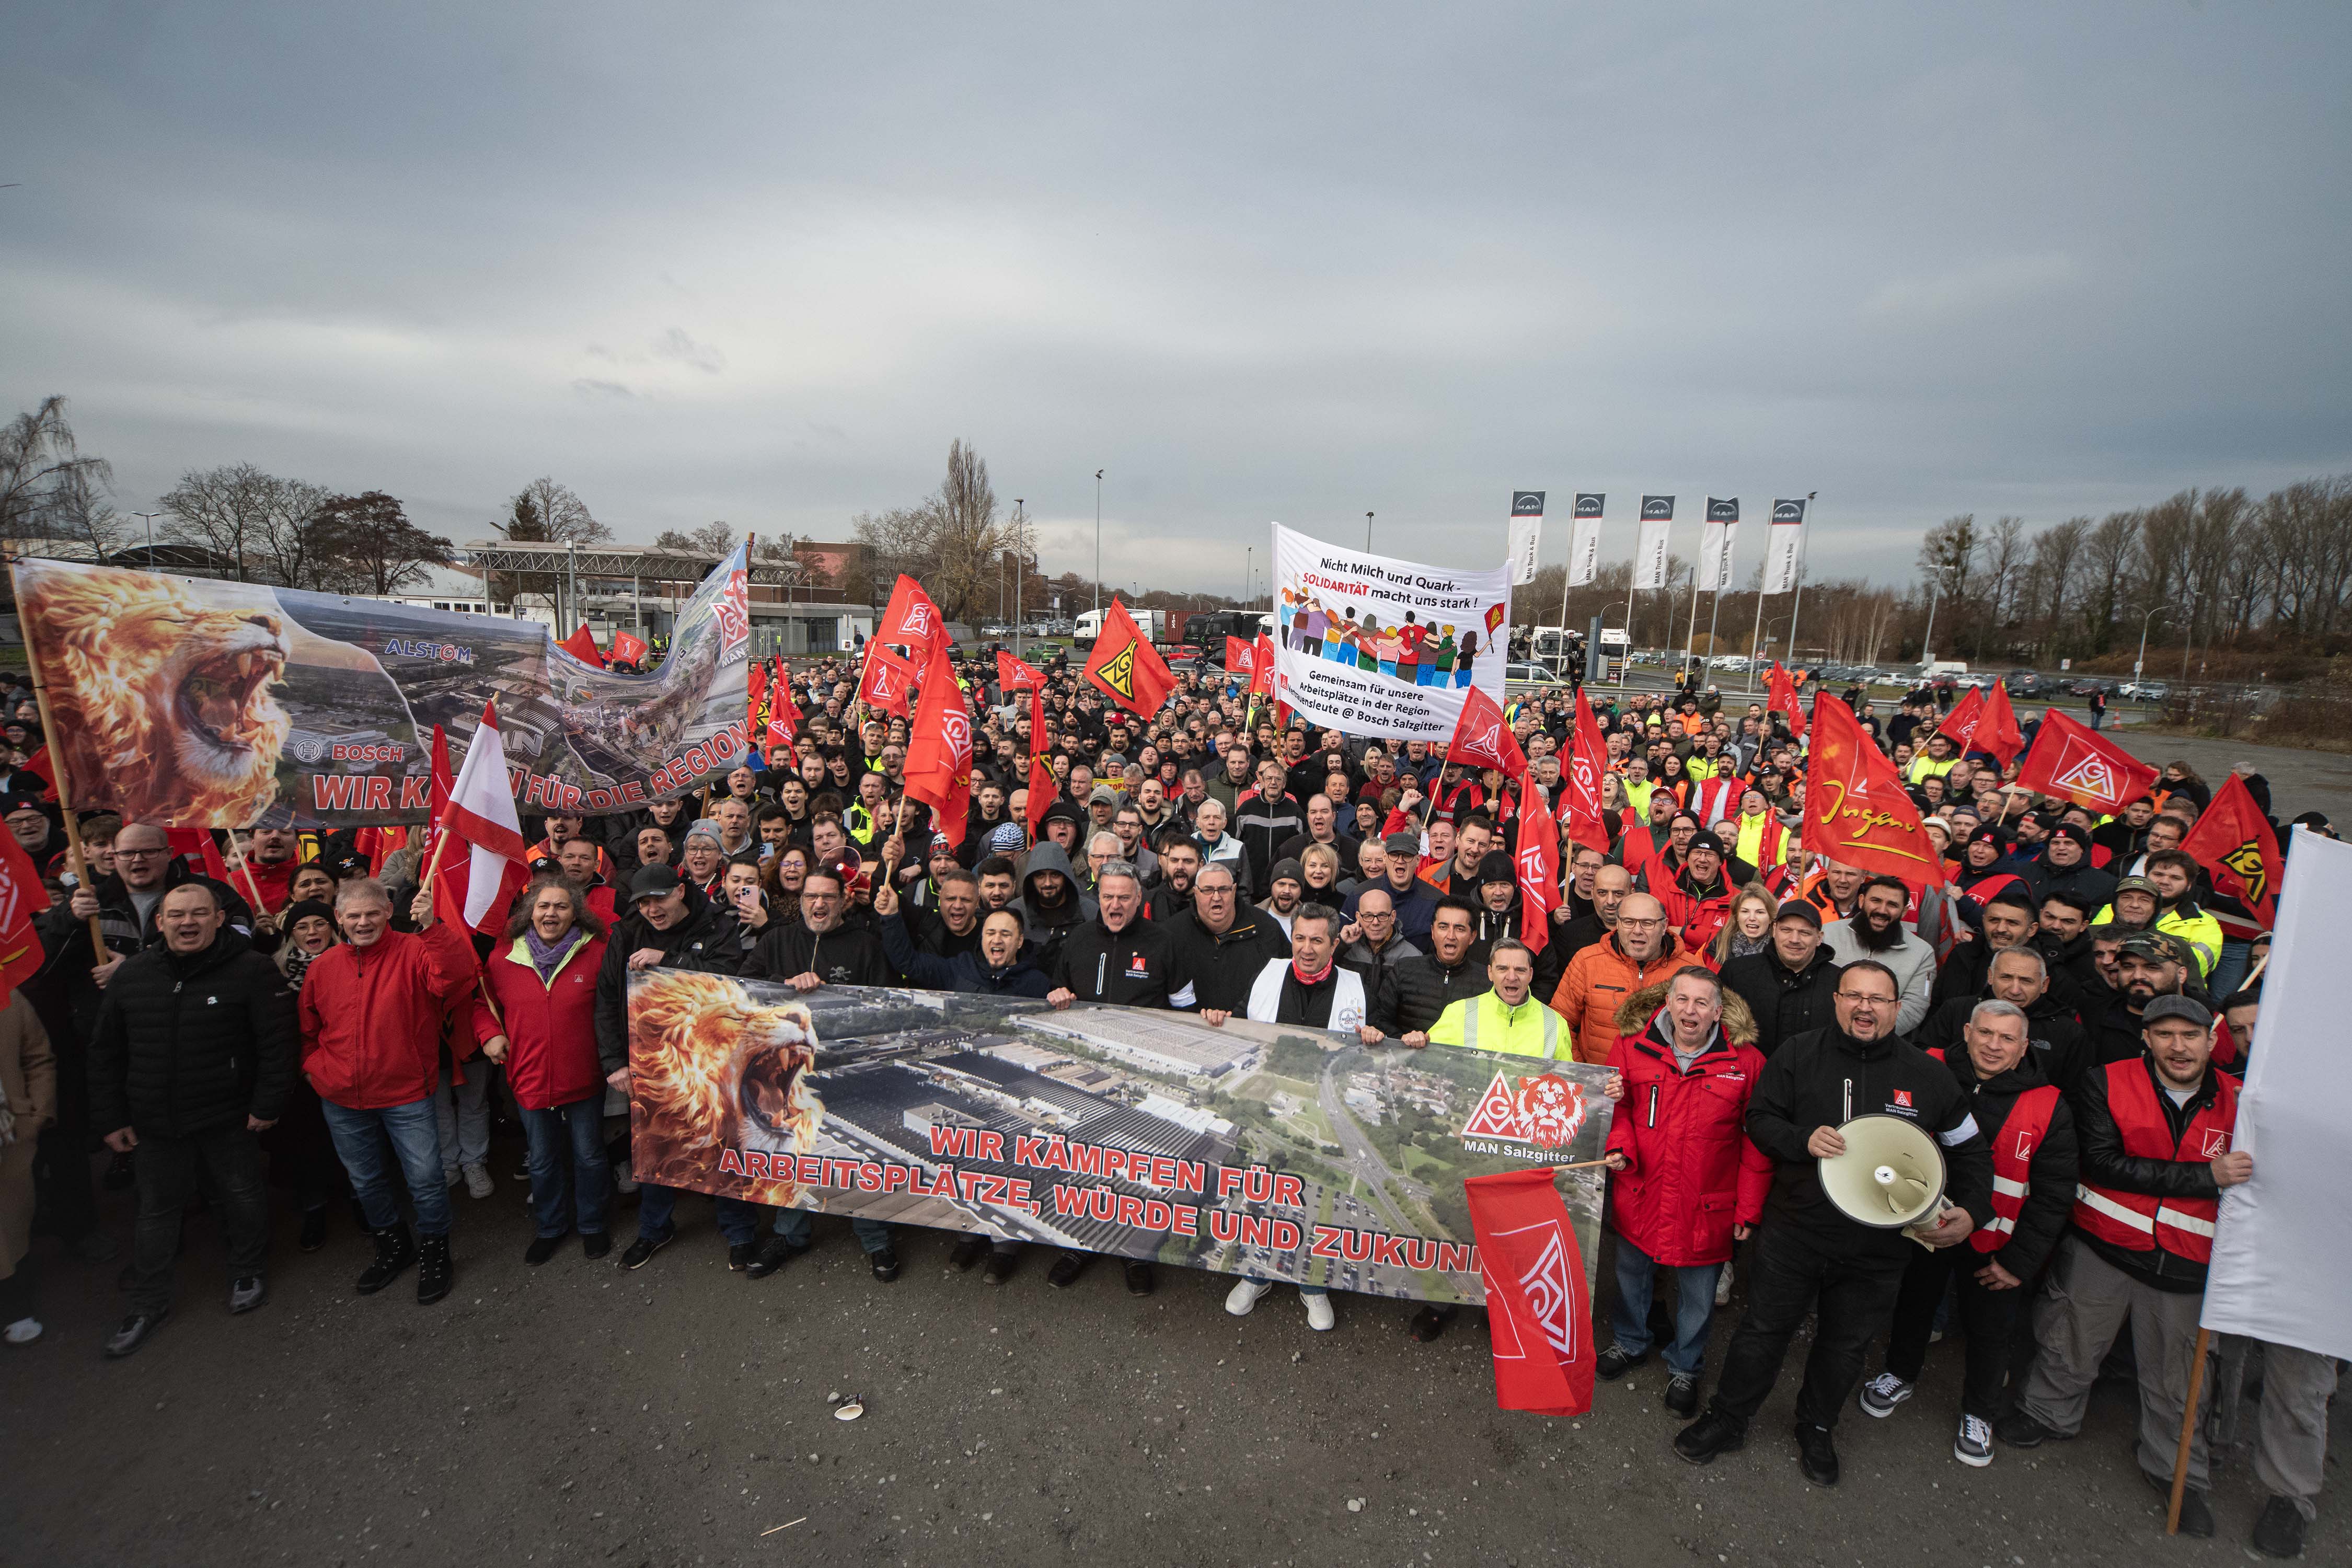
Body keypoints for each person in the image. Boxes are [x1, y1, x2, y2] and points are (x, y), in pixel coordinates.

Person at [1674, 959, 1992, 1486]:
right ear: (1837, 1000)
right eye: (1854, 996)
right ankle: (1728, 1419)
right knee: (1761, 1332)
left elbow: (1972, 1153)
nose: (1865, 1007)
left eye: (1879, 999)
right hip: (1797, 1231)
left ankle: (1817, 1426)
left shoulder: (1930, 1076)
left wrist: (1974, 1212)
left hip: (1879, 1249)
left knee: (1845, 1346)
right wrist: (1801, 1140)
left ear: (1897, 1008)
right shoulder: (1799, 1054)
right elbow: (1759, 1120)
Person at [2000, 995, 2246, 1540]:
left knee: (2180, 1377)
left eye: (2190, 1035)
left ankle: (2176, 1469)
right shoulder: (2106, 1082)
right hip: (2104, 1245)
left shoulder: (2245, 1100)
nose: (2177, 1047)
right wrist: (2208, 1177)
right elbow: (2106, 1164)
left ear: (2212, 1040)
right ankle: (2048, 1415)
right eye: (2165, 1035)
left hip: (2189, 1266)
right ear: (2147, 1039)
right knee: (2070, 1339)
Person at [1858, 998, 2078, 1467]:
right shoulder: (1926, 1066)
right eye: (1985, 1034)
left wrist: (2020, 1262)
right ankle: (1899, 1373)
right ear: (1966, 1032)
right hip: (1923, 1229)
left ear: (2024, 1048)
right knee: (1914, 1306)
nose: (1993, 1046)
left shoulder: (2049, 1103)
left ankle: (1980, 1413)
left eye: (2007, 1039)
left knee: (1991, 1332)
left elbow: (2054, 1194)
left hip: (1996, 1246)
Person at [87, 881, 296, 1357]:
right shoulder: (133, 976)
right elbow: (106, 1054)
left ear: (220, 917)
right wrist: (111, 1118)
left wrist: (268, 1105)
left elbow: (278, 1046)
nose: (188, 923)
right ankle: (149, 1301)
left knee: (241, 1195)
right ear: (159, 922)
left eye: (200, 913)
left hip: (229, 1118)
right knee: (156, 1213)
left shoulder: (252, 970)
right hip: (155, 1124)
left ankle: (247, 1270)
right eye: (177, 915)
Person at [1595, 966, 1771, 1417]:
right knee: (1631, 1274)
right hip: (1642, 1188)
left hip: (1706, 1202)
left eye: (1701, 1003)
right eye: (1682, 1000)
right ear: (1667, 1002)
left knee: (1699, 1293)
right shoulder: (1632, 1047)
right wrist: (1620, 1148)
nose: (1689, 1011)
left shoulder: (1746, 1061)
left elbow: (1758, 1140)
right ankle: (1631, 1342)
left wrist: (1748, 1209)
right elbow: (1618, 1110)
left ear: (1718, 1011)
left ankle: (1686, 1366)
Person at [298, 879, 477, 1306]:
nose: (364, 923)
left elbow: (456, 979)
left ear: (387, 912)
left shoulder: (416, 950)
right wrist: (313, 1070)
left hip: (406, 1094)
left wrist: (432, 928)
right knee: (366, 1182)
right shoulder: (322, 967)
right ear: (338, 918)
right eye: (354, 916)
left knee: (426, 1180)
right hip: (341, 1098)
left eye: (372, 913)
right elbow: (308, 1029)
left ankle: (436, 1252)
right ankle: (393, 1248)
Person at [591, 864, 761, 1273]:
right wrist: (614, 1063)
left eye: (660, 899)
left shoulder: (716, 924)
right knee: (655, 1146)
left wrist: (670, 961)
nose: (652, 909)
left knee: (723, 1145)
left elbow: (730, 982)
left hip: (712, 1059)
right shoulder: (627, 932)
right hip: (654, 1062)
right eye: (644, 902)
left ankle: (739, 1233)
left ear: (681, 891)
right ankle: (654, 1229)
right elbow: (607, 998)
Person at [1215, 904, 1375, 1333]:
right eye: (1300, 939)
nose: (1306, 949)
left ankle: (1314, 1285)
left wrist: (1380, 1035)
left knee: (1316, 1198)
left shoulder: (1358, 986)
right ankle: (1255, 1274)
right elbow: (1238, 1015)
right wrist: (1220, 1017)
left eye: (1317, 940)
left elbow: (1382, 1044)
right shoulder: (1268, 973)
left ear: (1334, 943)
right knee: (1262, 1194)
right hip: (1268, 1108)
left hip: (1320, 1110)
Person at [476, 879, 612, 1265]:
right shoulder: (502, 960)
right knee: (542, 1159)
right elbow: (481, 1002)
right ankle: (550, 1228)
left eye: (561, 907)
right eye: (543, 906)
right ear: (529, 913)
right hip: (529, 1077)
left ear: (577, 914)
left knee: (589, 1156)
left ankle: (592, 1224)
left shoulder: (598, 953)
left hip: (585, 1076)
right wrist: (489, 1034)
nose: (551, 913)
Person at [1550, 892, 1691, 1063]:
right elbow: (1558, 1022)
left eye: (1647, 923)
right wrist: (1582, 1070)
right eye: (1629, 922)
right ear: (1618, 923)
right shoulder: (1587, 961)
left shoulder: (1690, 969)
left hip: (1662, 1085)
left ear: (1664, 926)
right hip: (1599, 1081)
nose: (1637, 931)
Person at [0, 990, 57, 1346]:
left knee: (10, 1225)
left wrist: (36, 1114)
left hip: (9, 1134)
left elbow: (38, 1058)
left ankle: (16, 1307)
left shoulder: (7, 997)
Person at [1717, 900, 1841, 1059]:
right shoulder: (1737, 972)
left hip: (1812, 1079)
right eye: (1786, 930)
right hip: (1751, 1076)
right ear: (1774, 930)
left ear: (1819, 938)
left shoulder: (1839, 982)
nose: (1794, 939)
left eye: (1805, 933)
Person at [1165, 861, 1290, 1015]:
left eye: (1224, 890)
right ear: (1196, 892)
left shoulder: (1266, 928)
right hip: (1190, 1029)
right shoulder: (1173, 932)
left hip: (1251, 1030)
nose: (1216, 897)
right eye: (1208, 890)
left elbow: (1286, 981)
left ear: (1234, 890)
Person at [1406, 938, 1562, 1058]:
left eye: (1520, 970)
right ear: (1490, 973)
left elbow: (1567, 1082)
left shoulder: (1555, 1023)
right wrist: (1413, 1042)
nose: (1512, 977)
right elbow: (1428, 1062)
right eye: (1502, 969)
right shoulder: (1459, 1013)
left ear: (1531, 975)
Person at [741, 868, 893, 990]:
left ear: (842, 900)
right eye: (811, 896)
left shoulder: (868, 947)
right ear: (802, 900)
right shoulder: (776, 939)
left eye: (829, 897)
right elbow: (741, 984)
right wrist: (785, 983)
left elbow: (885, 1000)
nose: (819, 904)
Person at [1820, 874, 1936, 1034]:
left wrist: (1869, 1034)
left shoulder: (1923, 953)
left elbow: (1914, 1008)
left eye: (1892, 905)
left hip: (1883, 1045)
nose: (1882, 910)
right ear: (1861, 901)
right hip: (1826, 1034)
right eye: (1876, 901)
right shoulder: (1828, 933)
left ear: (1904, 911)